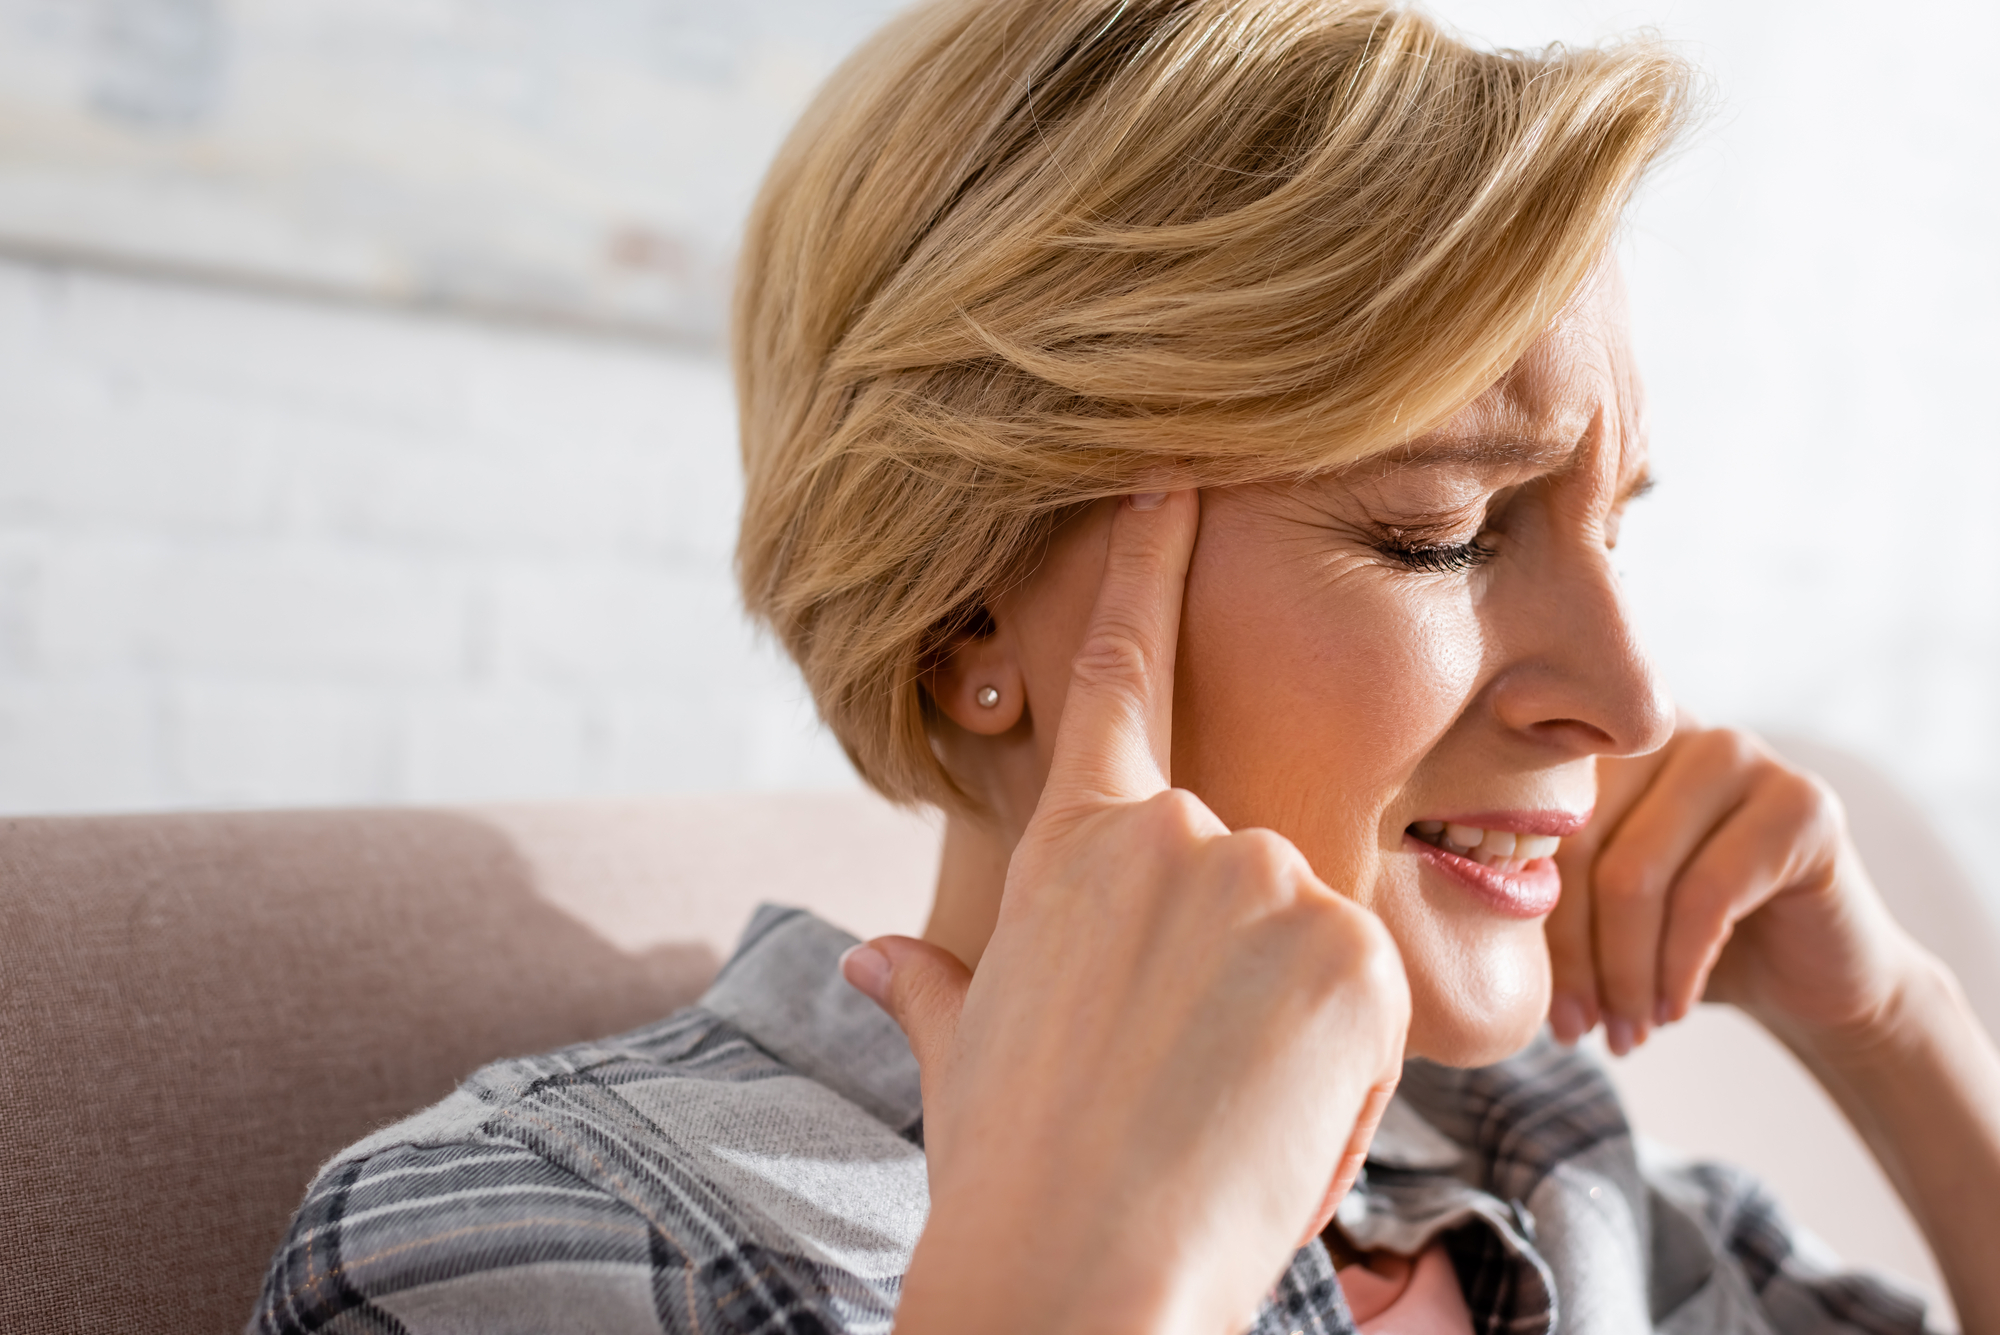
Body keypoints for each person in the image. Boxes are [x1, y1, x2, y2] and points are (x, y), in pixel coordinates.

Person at [251, 1, 2000, 1332]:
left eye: (1613, 530)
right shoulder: (544, 1236)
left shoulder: (1571, 1179)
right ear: (968, 614)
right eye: (1442, 530)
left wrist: (1903, 1037)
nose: (1632, 699)